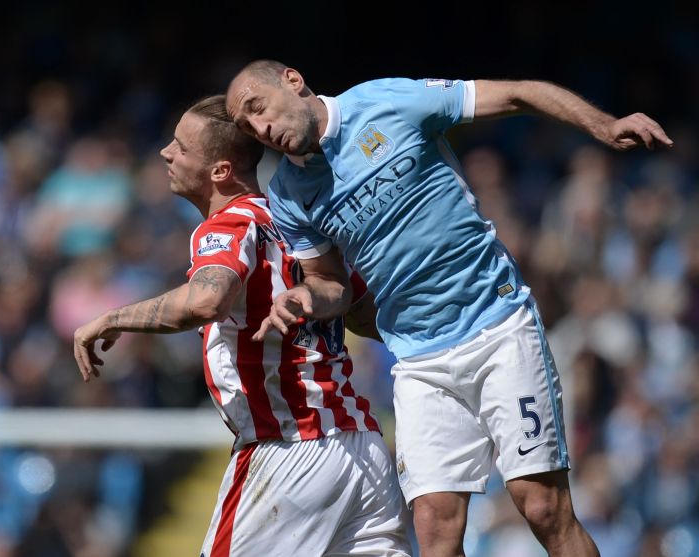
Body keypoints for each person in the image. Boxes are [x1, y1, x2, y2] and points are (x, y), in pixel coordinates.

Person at [226, 60, 673, 557]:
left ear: (293, 80)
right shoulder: (289, 194)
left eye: (258, 109)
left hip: (497, 325)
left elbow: (520, 91)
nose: (261, 130)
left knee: (542, 507)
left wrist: (604, 127)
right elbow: (333, 284)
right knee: (435, 530)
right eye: (248, 128)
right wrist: (306, 297)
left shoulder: (386, 101)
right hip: (419, 361)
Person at [73, 95, 412, 557]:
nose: (165, 154)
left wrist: (113, 317)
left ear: (220, 171)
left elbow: (208, 299)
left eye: (181, 147)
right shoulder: (300, 223)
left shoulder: (230, 224)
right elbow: (364, 311)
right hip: (362, 448)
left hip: (291, 451)